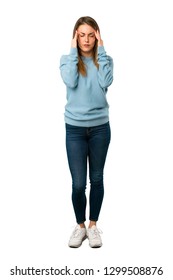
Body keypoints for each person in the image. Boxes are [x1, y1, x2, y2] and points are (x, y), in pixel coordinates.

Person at [59, 16, 113, 248]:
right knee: (78, 184)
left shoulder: (105, 60)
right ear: (75, 36)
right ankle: (79, 227)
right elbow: (70, 81)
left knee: (97, 179)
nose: (87, 39)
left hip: (100, 127)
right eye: (82, 34)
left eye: (91, 34)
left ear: (97, 36)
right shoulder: (66, 60)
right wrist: (73, 51)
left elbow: (106, 81)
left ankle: (93, 227)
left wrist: (102, 50)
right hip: (75, 130)